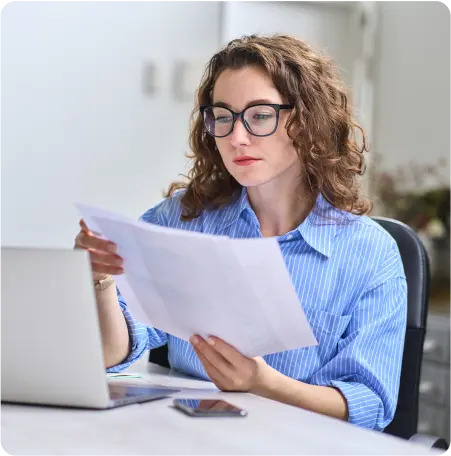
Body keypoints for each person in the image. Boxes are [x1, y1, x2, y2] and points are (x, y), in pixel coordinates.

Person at [74, 35, 407, 431]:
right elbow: (115, 353)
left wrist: (264, 384)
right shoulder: (181, 219)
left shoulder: (371, 253)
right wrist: (100, 279)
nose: (236, 137)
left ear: (306, 121)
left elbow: (370, 404)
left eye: (260, 115)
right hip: (183, 437)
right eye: (223, 116)